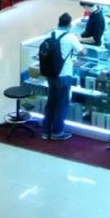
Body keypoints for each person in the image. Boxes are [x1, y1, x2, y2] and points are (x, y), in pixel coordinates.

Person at [41, 13, 81, 141]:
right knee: (62, 104)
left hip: (51, 74)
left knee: (51, 101)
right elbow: (83, 51)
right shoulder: (70, 37)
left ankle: (45, 130)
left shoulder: (50, 34)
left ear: (58, 23)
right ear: (69, 24)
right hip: (64, 75)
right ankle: (57, 132)